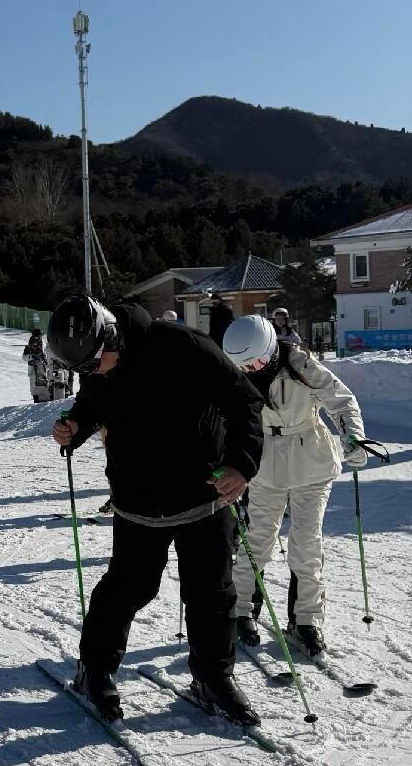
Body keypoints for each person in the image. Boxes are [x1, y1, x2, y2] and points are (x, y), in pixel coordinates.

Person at [48, 294, 264, 726]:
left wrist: (242, 465)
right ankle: (95, 669)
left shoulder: (186, 347)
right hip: (138, 502)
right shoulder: (98, 364)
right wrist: (75, 425)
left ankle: (213, 677)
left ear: (112, 335)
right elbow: (93, 404)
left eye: (93, 364)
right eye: (83, 370)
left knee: (213, 593)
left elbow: (245, 403)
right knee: (127, 589)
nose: (91, 373)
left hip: (204, 495)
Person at [223, 314, 365, 658]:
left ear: (270, 348)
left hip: (310, 459)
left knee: (305, 542)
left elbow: (339, 399)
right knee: (257, 540)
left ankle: (306, 619)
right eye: (245, 365)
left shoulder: (300, 363)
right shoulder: (236, 374)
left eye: (257, 360)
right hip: (265, 462)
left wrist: (353, 436)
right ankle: (242, 610)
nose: (253, 368)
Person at [22, 328, 50, 403]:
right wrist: (32, 356)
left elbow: (46, 354)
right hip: (34, 366)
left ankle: (41, 398)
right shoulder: (29, 345)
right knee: (35, 383)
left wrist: (44, 357)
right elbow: (24, 357)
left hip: (40, 366)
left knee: (41, 382)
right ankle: (37, 399)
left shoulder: (43, 344)